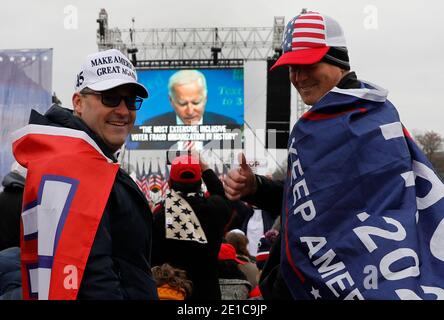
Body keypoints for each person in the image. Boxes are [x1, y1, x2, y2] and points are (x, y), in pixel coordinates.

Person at [224, 11, 444, 300]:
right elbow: (314, 203)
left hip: (355, 283)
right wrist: (257, 187)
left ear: (337, 59)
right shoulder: (348, 117)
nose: (299, 77)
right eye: (292, 68)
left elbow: (345, 210)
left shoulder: (357, 121)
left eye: (307, 64)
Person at [12, 49, 158, 300]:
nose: (123, 110)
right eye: (110, 98)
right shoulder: (76, 167)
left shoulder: (83, 160)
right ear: (78, 103)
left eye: (131, 100)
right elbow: (91, 279)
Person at [151, 154, 232, 300]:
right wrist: (206, 169)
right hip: (208, 294)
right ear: (201, 182)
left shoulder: (159, 216)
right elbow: (222, 194)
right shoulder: (216, 209)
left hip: (171, 293)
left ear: (169, 183)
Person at [139, 70, 239, 150]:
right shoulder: (150, 127)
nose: (190, 111)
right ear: (171, 101)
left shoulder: (228, 126)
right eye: (182, 103)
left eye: (196, 102)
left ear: (205, 99)